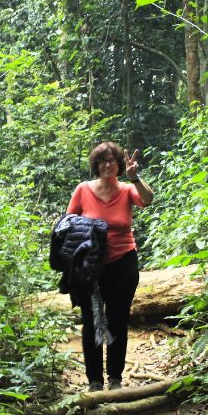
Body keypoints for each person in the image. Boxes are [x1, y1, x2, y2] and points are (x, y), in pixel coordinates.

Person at [66, 142, 153, 391]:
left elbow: (147, 199)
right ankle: (94, 381)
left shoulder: (127, 190)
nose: (107, 164)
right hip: (90, 267)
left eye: (112, 160)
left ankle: (115, 378)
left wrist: (136, 178)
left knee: (117, 320)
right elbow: (67, 223)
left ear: (120, 165)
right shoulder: (83, 190)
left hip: (123, 262)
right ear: (96, 164)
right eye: (102, 161)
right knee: (91, 322)